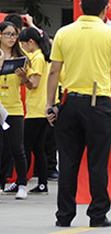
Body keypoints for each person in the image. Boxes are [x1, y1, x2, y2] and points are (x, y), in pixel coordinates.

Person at [46, 0, 111, 227]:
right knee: (97, 162)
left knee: (68, 162)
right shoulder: (109, 33)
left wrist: (50, 104)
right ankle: (97, 215)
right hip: (97, 103)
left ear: (81, 7)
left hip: (69, 101)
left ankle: (64, 216)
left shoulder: (63, 32)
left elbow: (54, 71)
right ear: (105, 9)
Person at [17, 27, 53, 195]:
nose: (22, 47)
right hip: (40, 108)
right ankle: (42, 183)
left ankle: (20, 182)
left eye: (23, 44)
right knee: (38, 148)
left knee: (25, 146)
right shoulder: (41, 57)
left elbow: (34, 84)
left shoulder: (37, 58)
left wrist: (24, 79)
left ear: (30, 43)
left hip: (36, 110)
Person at [0, 21, 29, 200]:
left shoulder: (21, 56)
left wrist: (24, 77)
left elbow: (30, 85)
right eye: (8, 34)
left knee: (17, 147)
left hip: (14, 108)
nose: (12, 38)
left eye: (14, 35)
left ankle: (22, 185)